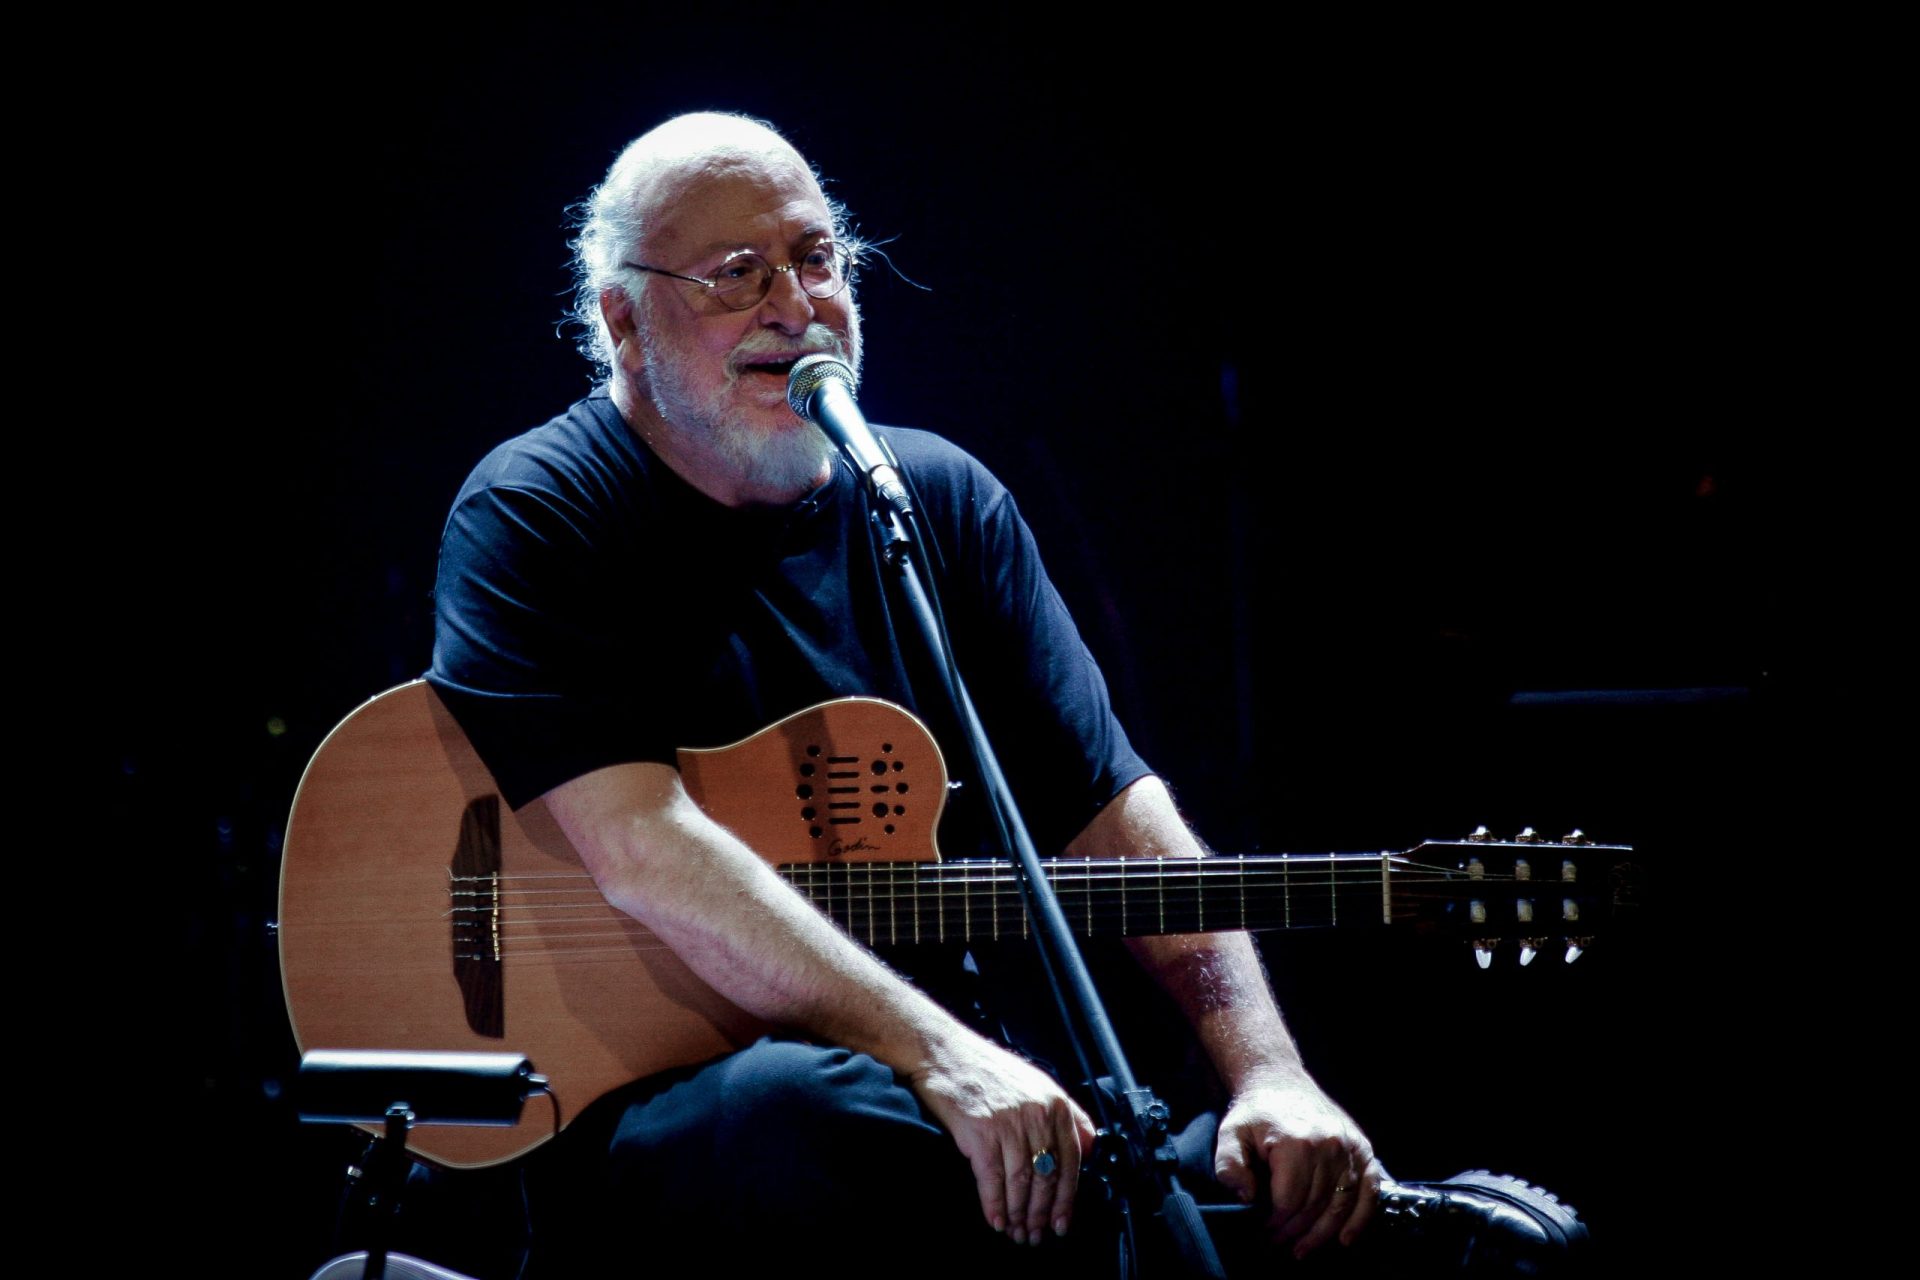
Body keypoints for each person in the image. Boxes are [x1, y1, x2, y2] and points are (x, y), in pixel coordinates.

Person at [425, 112, 1578, 1277]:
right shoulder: (539, 509)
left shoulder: (934, 501)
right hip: (642, 1106)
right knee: (801, 1109)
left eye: (817, 259)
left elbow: (1114, 813)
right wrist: (942, 1055)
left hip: (915, 1085)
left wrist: (1268, 1070)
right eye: (739, 274)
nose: (796, 305)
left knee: (1069, 1142)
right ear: (624, 319)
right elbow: (642, 847)